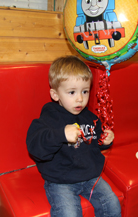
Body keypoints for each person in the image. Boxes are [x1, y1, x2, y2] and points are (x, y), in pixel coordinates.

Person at [26, 55, 121, 217]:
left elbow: (95, 142)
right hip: (60, 181)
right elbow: (35, 148)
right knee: (69, 214)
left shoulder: (90, 118)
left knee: (112, 204)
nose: (80, 98)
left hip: (91, 177)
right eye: (72, 92)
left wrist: (105, 141)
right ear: (55, 95)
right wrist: (60, 135)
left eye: (85, 91)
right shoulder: (49, 118)